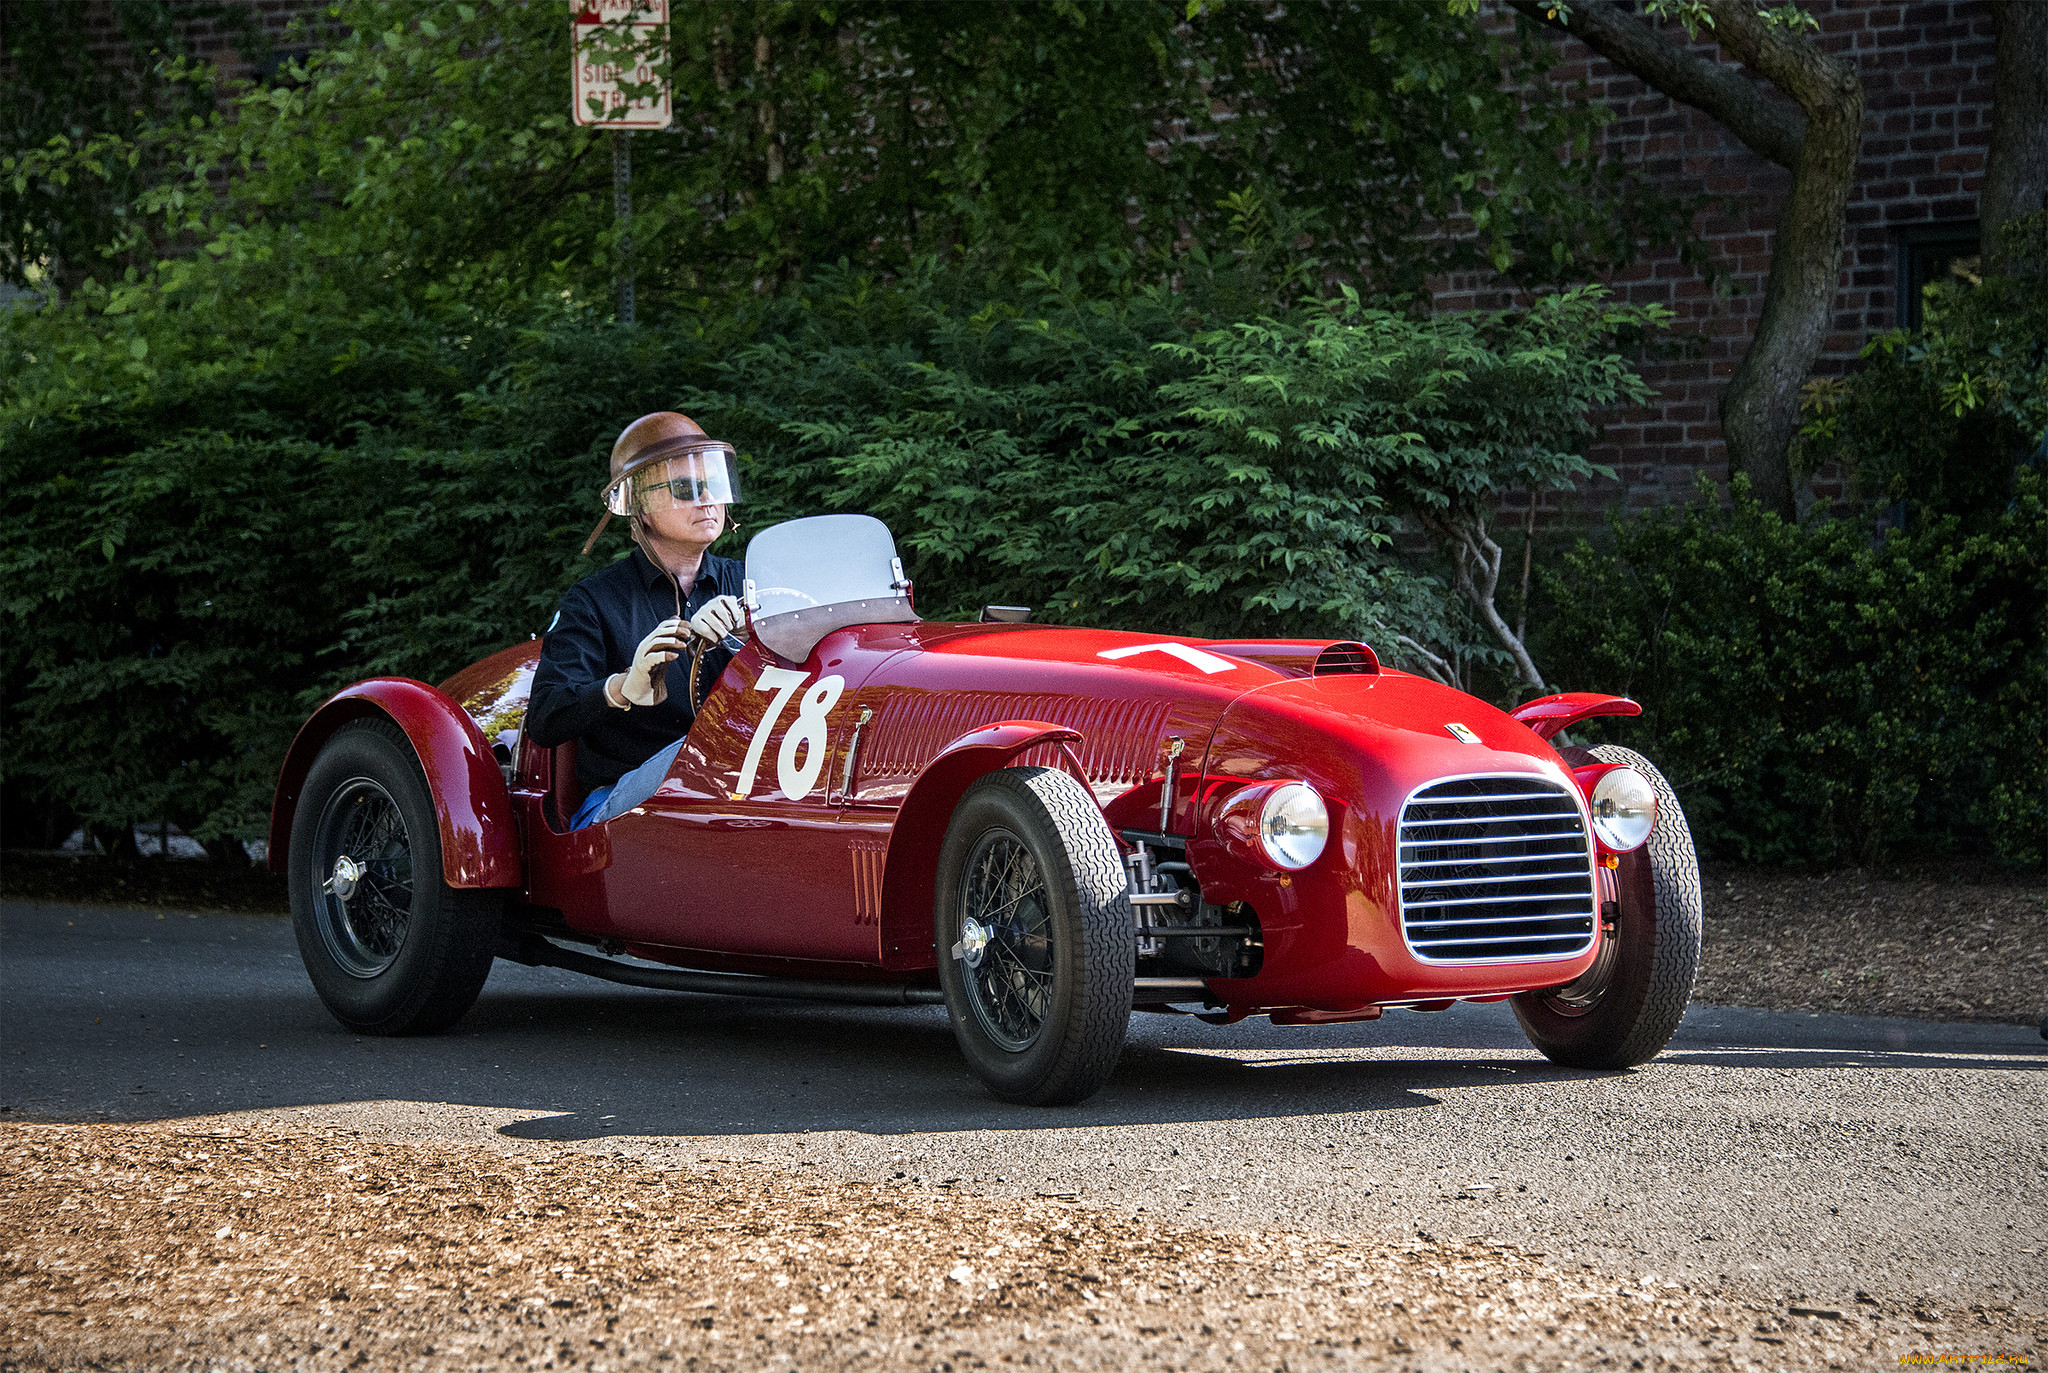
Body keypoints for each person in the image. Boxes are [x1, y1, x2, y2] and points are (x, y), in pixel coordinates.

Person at [526, 412, 748, 829]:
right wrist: (624, 686)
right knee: (705, 753)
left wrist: (756, 634)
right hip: (618, 802)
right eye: (685, 488)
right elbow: (544, 718)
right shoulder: (592, 601)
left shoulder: (748, 581)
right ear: (640, 507)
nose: (706, 499)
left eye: (712, 483)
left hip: (730, 795)